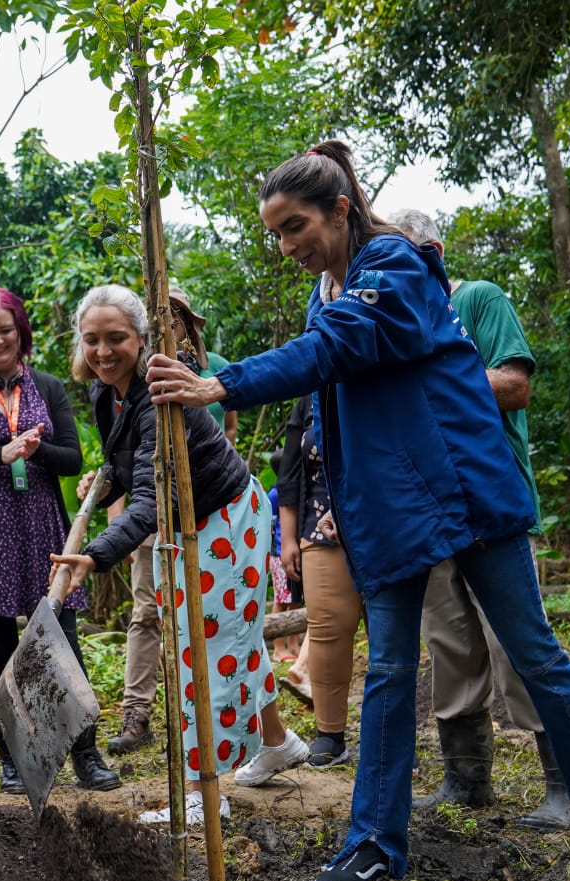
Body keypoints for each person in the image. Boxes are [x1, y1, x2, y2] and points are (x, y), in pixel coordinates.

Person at [146, 141, 570, 881]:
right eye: (277, 234)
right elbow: (332, 403)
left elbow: (337, 348)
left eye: (297, 227)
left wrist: (222, 385)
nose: (288, 246)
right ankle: (375, 848)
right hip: (389, 512)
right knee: (387, 674)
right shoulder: (329, 289)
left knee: (537, 656)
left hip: (464, 492)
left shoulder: (394, 267)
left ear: (341, 210)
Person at [51, 285, 308, 826]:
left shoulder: (160, 396)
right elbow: (131, 462)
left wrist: (94, 557)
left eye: (116, 338)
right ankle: (277, 743)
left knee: (199, 656)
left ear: (142, 339)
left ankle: (200, 795)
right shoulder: (107, 393)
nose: (103, 351)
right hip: (186, 524)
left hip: (224, 521)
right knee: (222, 643)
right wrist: (108, 476)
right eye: (92, 340)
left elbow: (149, 498)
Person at [390, 208, 570, 832]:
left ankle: (564, 783)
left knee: (515, 642)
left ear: (433, 251)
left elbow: (514, 385)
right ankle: (466, 778)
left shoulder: (480, 299)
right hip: (429, 508)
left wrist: (429, 376)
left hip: (490, 502)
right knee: (449, 642)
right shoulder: (392, 319)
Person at [0, 287, 119, 794]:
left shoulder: (49, 386)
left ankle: (85, 755)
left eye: (6, 330)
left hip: (40, 530)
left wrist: (34, 452)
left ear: (21, 333)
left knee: (64, 644)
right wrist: (0, 452)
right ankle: (13, 759)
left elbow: (74, 459)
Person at [107, 286, 237, 755]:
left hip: (206, 511)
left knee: (203, 617)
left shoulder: (216, 368)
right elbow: (123, 453)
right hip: (152, 512)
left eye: (180, 318)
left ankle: (196, 720)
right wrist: (116, 518)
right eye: (166, 318)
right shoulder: (129, 383)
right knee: (147, 612)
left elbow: (226, 434)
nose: (174, 326)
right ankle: (136, 714)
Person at [275, 394, 364, 767]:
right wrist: (290, 536)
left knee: (390, 632)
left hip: (386, 523)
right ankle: (330, 734)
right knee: (326, 626)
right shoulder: (309, 392)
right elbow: (291, 470)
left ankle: (394, 736)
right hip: (319, 527)